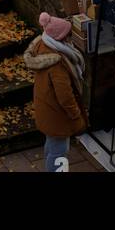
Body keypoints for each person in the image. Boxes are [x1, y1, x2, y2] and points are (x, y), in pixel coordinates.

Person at [24, 12, 87, 172]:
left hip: (47, 108)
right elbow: (65, 96)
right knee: (59, 153)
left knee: (52, 145)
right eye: (68, 35)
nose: (70, 38)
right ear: (60, 37)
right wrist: (75, 115)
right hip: (57, 114)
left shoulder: (42, 46)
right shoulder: (58, 64)